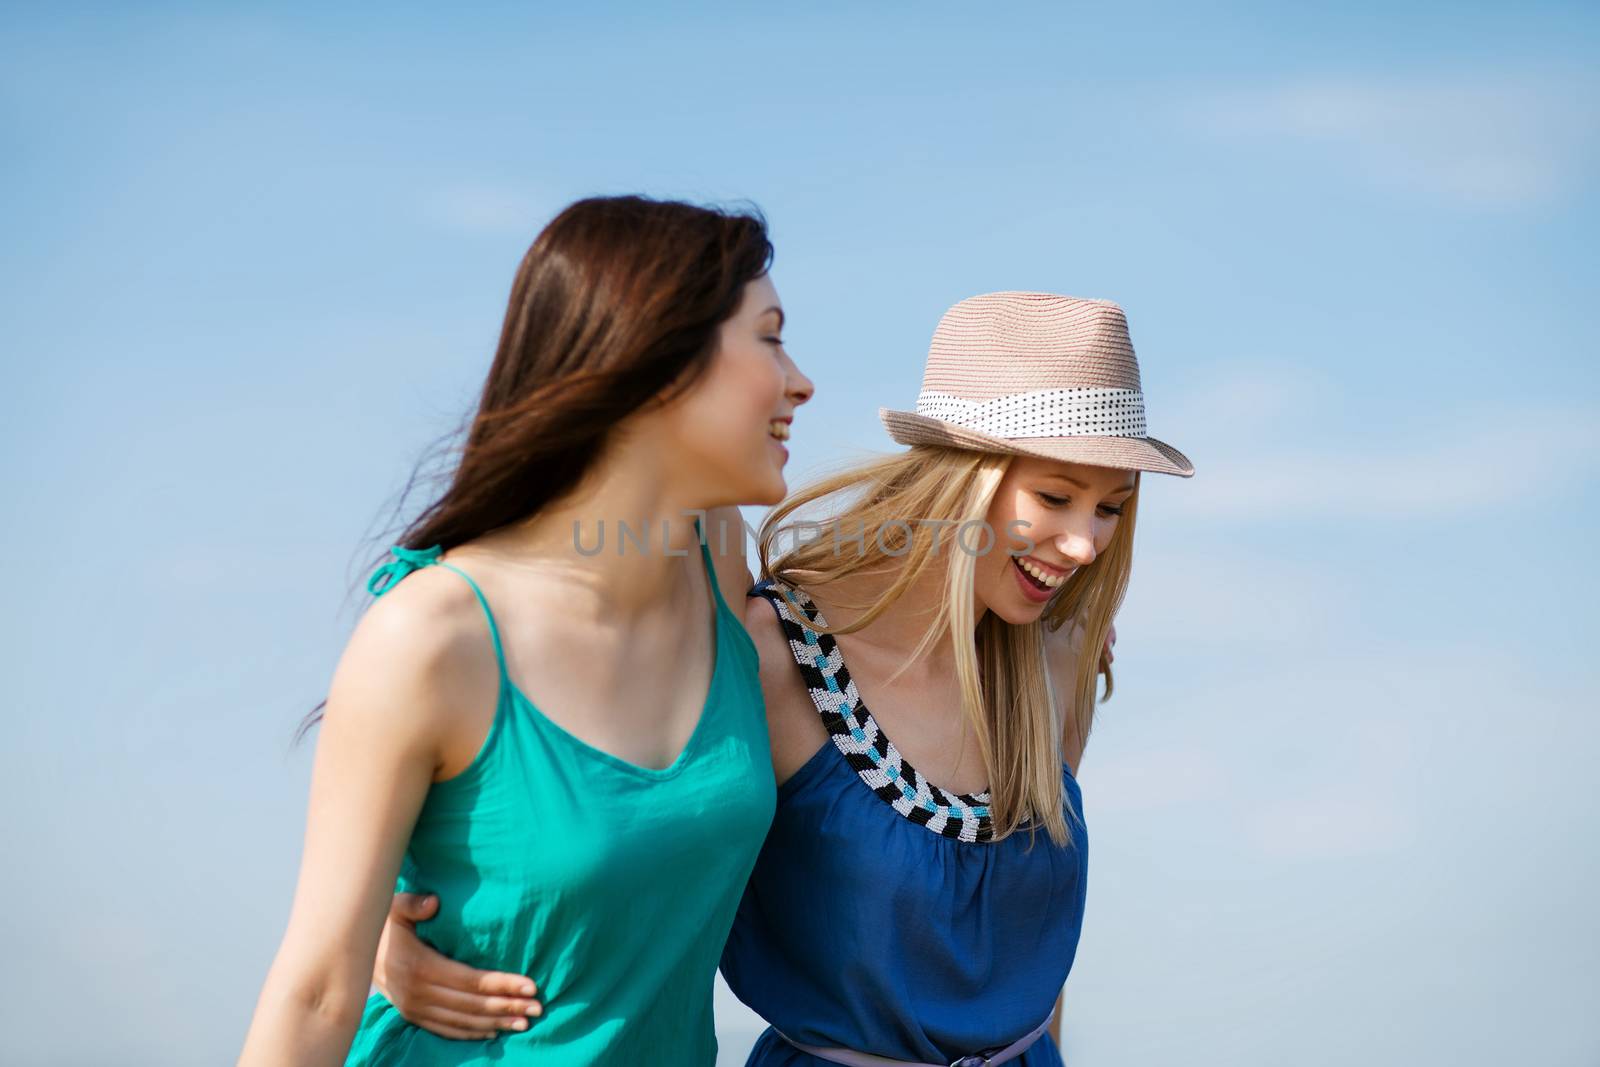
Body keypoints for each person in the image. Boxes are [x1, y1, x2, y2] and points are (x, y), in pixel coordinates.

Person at [376, 291, 1195, 1065]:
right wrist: (388, 922)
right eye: (1054, 495)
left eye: (1111, 507)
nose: (1084, 543)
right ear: (959, 481)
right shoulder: (775, 650)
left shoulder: (1061, 655)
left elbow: (1031, 958)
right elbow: (573, 789)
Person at [236, 194, 815, 1066]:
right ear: (658, 359)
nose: (801, 379)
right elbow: (315, 991)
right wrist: (389, 925)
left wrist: (1051, 625)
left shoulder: (716, 554)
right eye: (770, 336)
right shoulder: (432, 639)